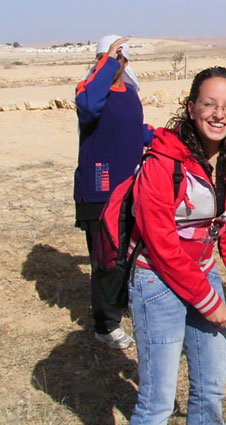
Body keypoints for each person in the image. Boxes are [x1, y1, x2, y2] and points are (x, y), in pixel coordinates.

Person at [128, 66, 226, 425]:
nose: (219, 114)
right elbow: (160, 244)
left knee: (210, 390)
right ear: (191, 108)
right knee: (157, 402)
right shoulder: (162, 163)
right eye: (209, 104)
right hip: (157, 282)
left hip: (204, 275)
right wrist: (207, 300)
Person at [74, 35, 154, 349]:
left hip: (130, 186)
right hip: (99, 188)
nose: (116, 64)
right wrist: (107, 62)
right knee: (107, 258)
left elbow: (136, 131)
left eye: (121, 59)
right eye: (108, 59)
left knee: (130, 253)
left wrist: (163, 137)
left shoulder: (129, 92)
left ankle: (125, 305)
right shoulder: (90, 90)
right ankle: (105, 324)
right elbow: (88, 107)